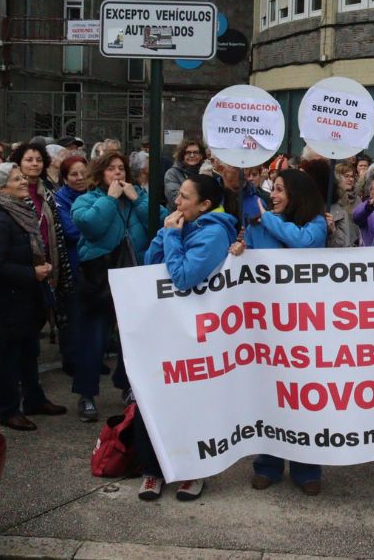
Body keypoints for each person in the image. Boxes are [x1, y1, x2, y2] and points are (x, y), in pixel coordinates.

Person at [137, 174, 237, 502]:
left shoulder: (213, 234)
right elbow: (149, 265)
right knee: (151, 394)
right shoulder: (181, 226)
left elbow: (182, 277)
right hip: (166, 327)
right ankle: (152, 470)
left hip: (197, 331)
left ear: (205, 205)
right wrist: (167, 235)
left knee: (192, 398)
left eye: (183, 197)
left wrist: (171, 237)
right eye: (177, 196)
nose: (176, 203)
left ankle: (193, 471)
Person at [247, 168, 327, 494]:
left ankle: (306, 469)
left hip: (306, 325)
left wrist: (266, 219)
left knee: (303, 397)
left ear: (298, 194)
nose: (274, 196)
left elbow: (302, 244)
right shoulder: (258, 225)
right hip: (268, 322)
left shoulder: (317, 224)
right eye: (272, 189)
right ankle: (268, 464)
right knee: (271, 394)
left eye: (280, 190)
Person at [0, 163, 66, 430]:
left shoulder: (20, 210)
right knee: (9, 357)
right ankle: (8, 409)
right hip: (8, 301)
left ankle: (34, 400)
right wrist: (32, 272)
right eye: (16, 179)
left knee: (29, 352)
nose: (23, 181)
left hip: (26, 298)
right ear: (1, 187)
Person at [71, 152, 155, 422]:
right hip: (100, 279)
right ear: (100, 174)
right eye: (111, 169)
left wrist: (138, 199)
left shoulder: (135, 198)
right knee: (94, 339)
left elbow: (158, 220)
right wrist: (109, 199)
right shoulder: (87, 199)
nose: (117, 173)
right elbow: (90, 226)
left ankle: (127, 386)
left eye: (121, 169)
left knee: (131, 340)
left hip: (133, 277)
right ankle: (86, 394)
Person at [9, 143, 74, 348]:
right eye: (29, 160)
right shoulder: (12, 193)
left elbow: (54, 229)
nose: (34, 164)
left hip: (49, 263)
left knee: (40, 317)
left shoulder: (45, 193)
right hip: (25, 268)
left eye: (38, 160)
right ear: (18, 163)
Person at [53, 155, 90, 377]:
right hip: (73, 265)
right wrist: (97, 226)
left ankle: (90, 358)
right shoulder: (60, 199)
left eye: (83, 173)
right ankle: (73, 360)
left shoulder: (93, 194)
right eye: (74, 174)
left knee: (90, 316)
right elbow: (71, 231)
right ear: (65, 178)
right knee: (73, 316)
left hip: (94, 265)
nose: (79, 178)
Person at [163, 139, 205, 210]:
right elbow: (176, 201)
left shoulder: (207, 171)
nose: (192, 155)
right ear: (182, 155)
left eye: (196, 152)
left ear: (201, 156)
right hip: (180, 217)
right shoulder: (172, 173)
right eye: (188, 153)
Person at [326, 161, 359, 248]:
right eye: (346, 176)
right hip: (338, 247)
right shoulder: (332, 200)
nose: (351, 179)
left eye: (352, 176)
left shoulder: (357, 199)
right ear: (337, 178)